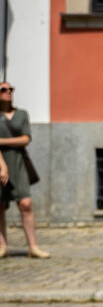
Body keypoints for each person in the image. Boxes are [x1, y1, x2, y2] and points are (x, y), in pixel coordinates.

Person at [0, 82, 50, 259]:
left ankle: (33, 246)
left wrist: (2, 142)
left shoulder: (21, 114)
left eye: (10, 89)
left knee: (25, 204)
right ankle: (2, 246)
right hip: (0, 164)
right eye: (3, 90)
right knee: (0, 206)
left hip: (19, 163)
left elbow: (25, 139)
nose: (8, 92)